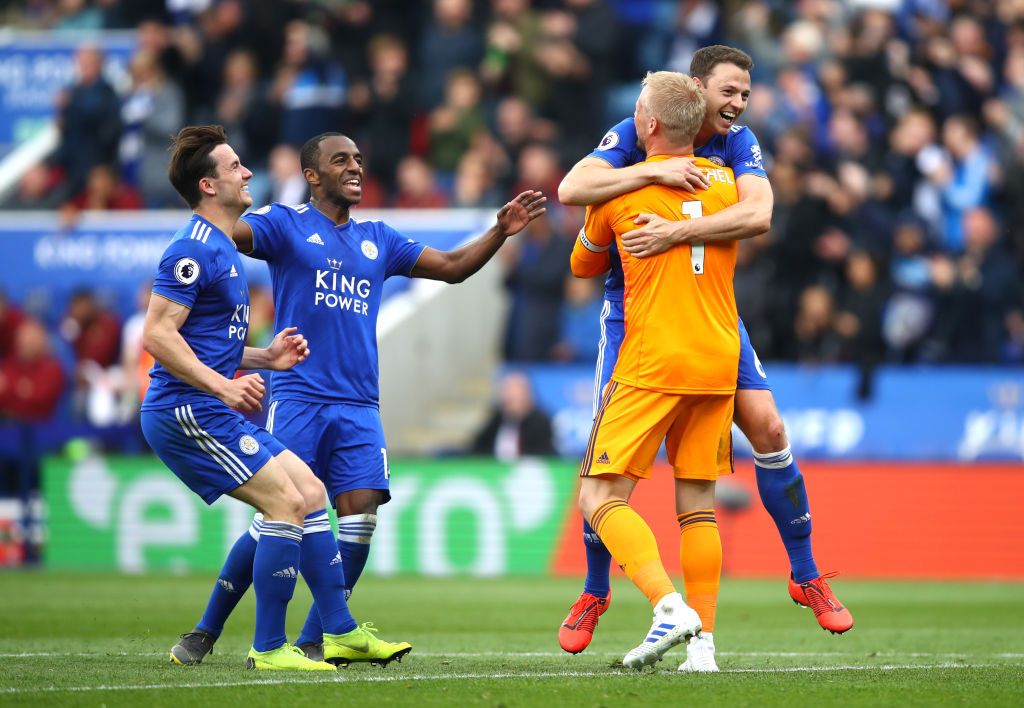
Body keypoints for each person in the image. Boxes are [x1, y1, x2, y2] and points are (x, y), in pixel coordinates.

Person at [170, 131, 546, 664]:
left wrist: (500, 232)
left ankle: (315, 638)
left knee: (361, 515)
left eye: (360, 160)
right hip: (300, 398)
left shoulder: (380, 238)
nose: (355, 168)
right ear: (312, 175)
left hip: (360, 406)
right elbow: (225, 230)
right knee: (283, 514)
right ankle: (206, 629)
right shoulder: (284, 224)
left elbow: (454, 268)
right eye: (340, 159)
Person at [557, 45, 854, 667]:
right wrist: (651, 174)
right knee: (688, 490)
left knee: (616, 472)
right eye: (729, 92)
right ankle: (596, 589)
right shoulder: (640, 140)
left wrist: (671, 227)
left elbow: (761, 212)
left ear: (654, 122)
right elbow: (575, 181)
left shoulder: (735, 141)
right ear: (696, 90)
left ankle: (799, 576)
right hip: (647, 313)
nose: (738, 104)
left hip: (688, 319)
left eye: (746, 94)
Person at [142, 125, 410, 671]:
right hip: (187, 410)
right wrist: (224, 385)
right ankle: (268, 648)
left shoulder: (220, 247)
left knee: (308, 491)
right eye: (236, 167)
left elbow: (208, 343)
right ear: (208, 185)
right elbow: (157, 335)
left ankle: (339, 630)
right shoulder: (192, 249)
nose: (248, 173)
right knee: (285, 504)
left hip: (215, 404)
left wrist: (265, 358)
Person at [570, 70, 737, 670]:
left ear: (648, 125)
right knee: (698, 504)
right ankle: (705, 647)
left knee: (597, 494)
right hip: (718, 359)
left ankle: (667, 605)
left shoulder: (617, 190)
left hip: (651, 360)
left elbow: (583, 266)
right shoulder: (728, 186)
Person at [469, 371, 556, 460]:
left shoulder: (540, 423)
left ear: (526, 393)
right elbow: (478, 448)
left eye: (513, 390)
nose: (507, 395)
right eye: (505, 389)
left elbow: (543, 456)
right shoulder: (496, 419)